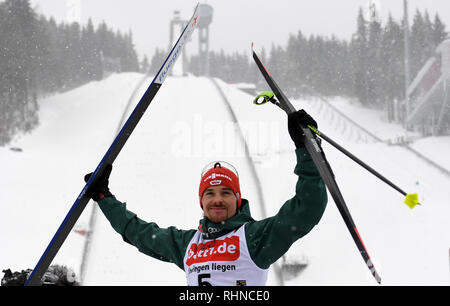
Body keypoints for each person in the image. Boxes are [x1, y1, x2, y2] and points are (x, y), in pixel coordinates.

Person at [84, 109, 327, 286]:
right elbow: (139, 233)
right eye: (209, 194)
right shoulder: (188, 244)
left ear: (238, 199)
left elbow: (307, 208)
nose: (217, 199)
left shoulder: (255, 237)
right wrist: (104, 197)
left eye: (226, 193)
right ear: (202, 202)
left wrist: (307, 149)